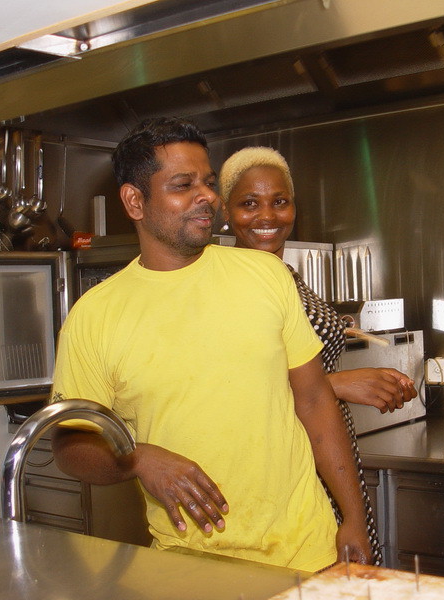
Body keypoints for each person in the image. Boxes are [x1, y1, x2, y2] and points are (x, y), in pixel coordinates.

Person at [49, 117, 371, 573]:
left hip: (307, 552)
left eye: (209, 182)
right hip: (189, 567)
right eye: (184, 185)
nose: (207, 197)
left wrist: (353, 519)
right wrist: (137, 458)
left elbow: (315, 400)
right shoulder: (94, 318)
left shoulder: (266, 276)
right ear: (135, 201)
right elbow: (70, 445)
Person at [218, 146, 419, 566]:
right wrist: (337, 384)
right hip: (283, 467)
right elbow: (223, 391)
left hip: (327, 452)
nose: (267, 216)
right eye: (249, 203)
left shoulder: (282, 274)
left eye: (280, 201)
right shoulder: (227, 282)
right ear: (225, 210)